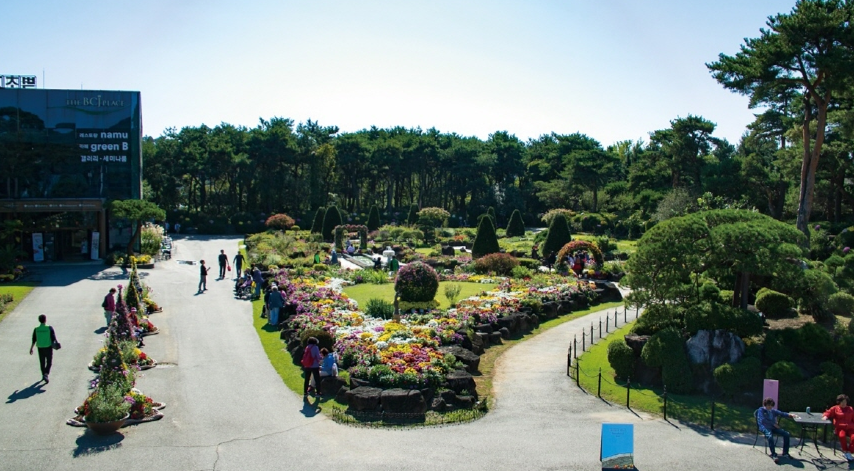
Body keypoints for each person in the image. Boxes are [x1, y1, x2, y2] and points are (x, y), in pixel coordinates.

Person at [755, 397, 799, 462]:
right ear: (765, 405)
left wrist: (791, 415)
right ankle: (773, 455)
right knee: (770, 437)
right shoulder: (761, 410)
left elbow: (782, 413)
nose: (770, 407)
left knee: (786, 434)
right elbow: (763, 420)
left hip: (773, 427)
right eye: (768, 405)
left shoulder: (773, 411)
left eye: (771, 405)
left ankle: (785, 453)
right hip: (764, 427)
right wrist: (773, 424)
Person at [824, 394, 854, 461]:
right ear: (839, 402)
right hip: (840, 427)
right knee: (842, 436)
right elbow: (828, 412)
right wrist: (825, 416)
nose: (844, 404)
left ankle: (849, 452)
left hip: (850, 427)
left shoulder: (850, 409)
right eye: (842, 402)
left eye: (845, 402)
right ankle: (845, 451)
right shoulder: (835, 408)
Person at [29, 314, 58, 383]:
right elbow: (53, 338)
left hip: (40, 348)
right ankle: (46, 374)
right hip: (48, 347)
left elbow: (34, 339)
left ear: (39, 320)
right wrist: (56, 344)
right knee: (49, 362)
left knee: (42, 362)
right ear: (45, 320)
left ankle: (43, 374)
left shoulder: (36, 329)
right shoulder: (49, 328)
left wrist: (31, 348)